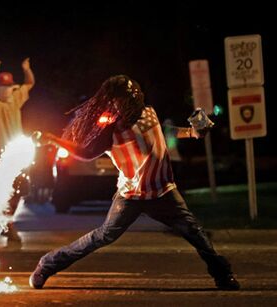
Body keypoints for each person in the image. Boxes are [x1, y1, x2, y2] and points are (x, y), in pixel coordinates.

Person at [29, 75, 239, 290]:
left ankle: (223, 275)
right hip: (131, 196)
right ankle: (48, 264)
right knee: (102, 236)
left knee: (194, 232)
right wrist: (53, 139)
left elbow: (163, 131)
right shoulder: (110, 128)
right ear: (115, 102)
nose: (131, 104)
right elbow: (86, 153)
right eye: (124, 100)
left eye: (132, 99)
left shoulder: (148, 112)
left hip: (163, 191)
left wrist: (192, 132)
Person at [0, 58, 35, 244]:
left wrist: (26, 69)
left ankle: (6, 221)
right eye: (4, 86)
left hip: (19, 155)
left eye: (9, 86)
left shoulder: (15, 101)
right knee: (6, 191)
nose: (7, 90)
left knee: (20, 191)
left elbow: (29, 83)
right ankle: (7, 224)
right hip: (2, 158)